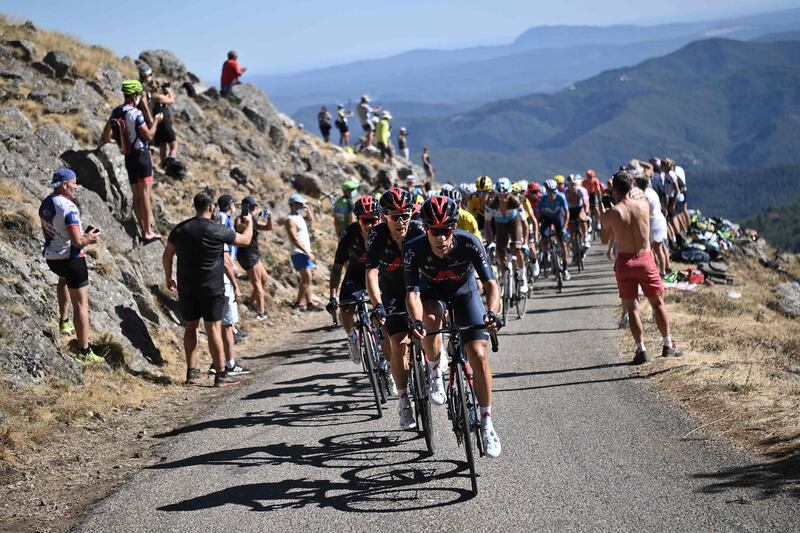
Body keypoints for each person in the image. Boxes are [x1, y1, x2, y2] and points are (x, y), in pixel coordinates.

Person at [405, 195, 503, 457]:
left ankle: (486, 423)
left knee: (479, 354)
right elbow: (412, 294)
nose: (440, 237)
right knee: (429, 320)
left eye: (446, 230)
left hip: (464, 292)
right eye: (434, 231)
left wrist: (492, 313)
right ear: (426, 228)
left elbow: (492, 285)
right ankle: (436, 369)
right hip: (431, 295)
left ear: (454, 227)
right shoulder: (414, 249)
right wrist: (415, 321)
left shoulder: (469, 243)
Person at [163, 191, 254, 386]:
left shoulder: (180, 229)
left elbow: (167, 254)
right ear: (212, 208)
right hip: (211, 287)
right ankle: (220, 374)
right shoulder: (217, 229)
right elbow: (245, 240)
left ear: (195, 207)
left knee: (191, 327)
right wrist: (251, 222)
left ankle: (191, 372)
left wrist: (168, 276)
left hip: (187, 287)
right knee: (213, 328)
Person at [601, 171, 683, 365]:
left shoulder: (612, 213)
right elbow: (639, 194)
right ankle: (667, 344)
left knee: (632, 309)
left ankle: (641, 349)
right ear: (631, 188)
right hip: (645, 258)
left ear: (614, 190)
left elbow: (605, 239)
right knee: (658, 303)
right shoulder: (644, 205)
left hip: (625, 261)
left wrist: (605, 210)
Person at [365, 188, 424, 429]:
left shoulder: (419, 229)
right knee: (398, 343)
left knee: (431, 322)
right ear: (384, 217)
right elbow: (371, 271)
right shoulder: (377, 235)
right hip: (391, 289)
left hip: (420, 287)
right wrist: (377, 305)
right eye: (394, 216)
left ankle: (436, 367)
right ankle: (403, 400)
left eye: (405, 215)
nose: (401, 221)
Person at [39, 168, 104, 363]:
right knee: (82, 305)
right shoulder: (69, 208)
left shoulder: (46, 203)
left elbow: (58, 231)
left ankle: (64, 320)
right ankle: (84, 351)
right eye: (74, 183)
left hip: (53, 258)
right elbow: (77, 242)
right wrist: (90, 238)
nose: (77, 186)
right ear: (65, 185)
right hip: (72, 259)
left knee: (63, 280)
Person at [100, 80, 163, 241]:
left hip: (128, 157)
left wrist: (114, 142)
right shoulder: (136, 114)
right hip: (142, 156)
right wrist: (156, 121)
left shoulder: (116, 111)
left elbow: (106, 135)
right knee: (146, 194)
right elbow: (148, 135)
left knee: (136, 195)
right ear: (135, 95)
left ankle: (142, 228)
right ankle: (148, 232)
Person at [327, 196, 382, 363]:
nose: (370, 224)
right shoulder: (350, 233)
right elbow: (337, 267)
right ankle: (352, 338)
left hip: (382, 273)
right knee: (345, 309)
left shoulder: (386, 231)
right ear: (358, 220)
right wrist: (332, 296)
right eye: (365, 220)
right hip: (357, 272)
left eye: (373, 219)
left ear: (380, 218)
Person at [211, 195, 250, 376]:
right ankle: (228, 364)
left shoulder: (221, 220)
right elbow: (241, 240)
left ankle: (219, 362)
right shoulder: (222, 220)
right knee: (226, 323)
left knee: (219, 323)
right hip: (224, 272)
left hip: (216, 274)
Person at [484, 178, 528, 293]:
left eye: (506, 194)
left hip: (515, 224)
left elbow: (525, 224)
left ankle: (523, 278)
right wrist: (490, 242)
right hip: (500, 226)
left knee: (518, 249)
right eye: (500, 195)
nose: (503, 198)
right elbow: (487, 226)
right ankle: (505, 276)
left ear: (510, 193)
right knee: (500, 252)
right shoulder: (491, 204)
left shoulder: (515, 202)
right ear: (496, 194)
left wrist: (526, 243)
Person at [234, 196, 272, 320]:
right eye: (252, 206)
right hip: (247, 255)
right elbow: (239, 228)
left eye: (254, 206)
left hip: (254, 254)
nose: (254, 209)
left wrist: (269, 217)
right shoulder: (240, 219)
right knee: (257, 285)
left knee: (264, 280)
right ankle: (261, 312)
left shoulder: (253, 218)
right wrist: (248, 220)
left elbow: (267, 227)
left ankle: (251, 303)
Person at [285, 194, 319, 311]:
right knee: (307, 278)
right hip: (298, 252)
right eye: (299, 204)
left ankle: (310, 303)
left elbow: (312, 221)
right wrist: (306, 252)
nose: (302, 205)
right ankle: (298, 303)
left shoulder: (299, 216)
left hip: (305, 252)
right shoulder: (290, 220)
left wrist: (308, 210)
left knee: (308, 278)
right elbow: (294, 239)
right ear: (293, 205)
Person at [140, 64, 178, 167]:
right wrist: (170, 91)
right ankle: (170, 164)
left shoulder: (151, 95)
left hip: (157, 120)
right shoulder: (157, 96)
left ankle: (162, 165)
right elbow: (172, 100)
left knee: (162, 144)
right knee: (174, 145)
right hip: (161, 120)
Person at [633, 174, 670, 276]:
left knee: (652, 249)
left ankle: (657, 270)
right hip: (659, 220)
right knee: (660, 248)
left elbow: (646, 211)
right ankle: (663, 269)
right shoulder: (651, 191)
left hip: (653, 222)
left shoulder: (645, 195)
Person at [537, 179, 571, 281]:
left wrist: (564, 228)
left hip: (558, 218)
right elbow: (538, 215)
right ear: (546, 191)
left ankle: (565, 269)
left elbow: (567, 213)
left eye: (554, 192)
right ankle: (546, 252)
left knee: (563, 244)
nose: (552, 195)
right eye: (550, 192)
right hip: (546, 219)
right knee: (544, 236)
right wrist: (539, 225)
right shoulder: (543, 199)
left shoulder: (561, 197)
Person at [565, 174, 591, 252]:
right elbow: (563, 206)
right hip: (570, 210)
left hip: (580, 208)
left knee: (581, 218)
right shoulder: (565, 192)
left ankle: (585, 238)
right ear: (568, 185)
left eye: (574, 185)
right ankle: (574, 248)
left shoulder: (581, 190)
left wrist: (586, 213)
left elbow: (585, 203)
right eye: (571, 185)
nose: (573, 187)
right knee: (571, 231)